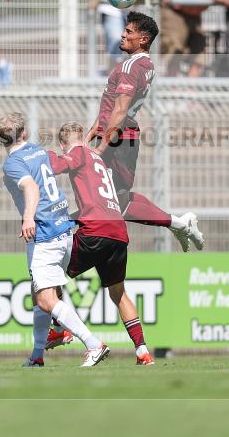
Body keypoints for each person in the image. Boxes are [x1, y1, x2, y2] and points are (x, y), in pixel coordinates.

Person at [84, 11, 204, 252]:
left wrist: (99, 148)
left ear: (143, 40)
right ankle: (179, 223)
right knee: (117, 201)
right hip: (119, 136)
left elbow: (119, 110)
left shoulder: (130, 67)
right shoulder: (145, 65)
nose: (123, 34)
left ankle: (177, 224)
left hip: (117, 140)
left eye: (129, 31)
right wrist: (90, 135)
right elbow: (112, 106)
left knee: (112, 203)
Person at [0, 112, 110, 368]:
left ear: (2, 141)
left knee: (46, 299)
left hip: (44, 235)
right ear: (24, 133)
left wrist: (28, 218)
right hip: (63, 229)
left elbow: (32, 188)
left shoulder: (13, 162)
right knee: (40, 294)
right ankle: (37, 355)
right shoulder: (38, 151)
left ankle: (94, 344)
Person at [49, 122, 155, 366]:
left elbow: (55, 166)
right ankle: (143, 352)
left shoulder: (77, 152)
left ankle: (59, 329)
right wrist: (70, 218)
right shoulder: (99, 161)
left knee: (51, 273)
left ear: (64, 144)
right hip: (117, 230)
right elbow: (96, 203)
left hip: (96, 231)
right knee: (118, 293)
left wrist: (40, 155)